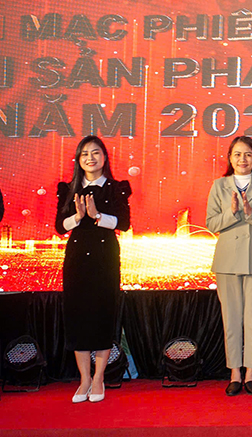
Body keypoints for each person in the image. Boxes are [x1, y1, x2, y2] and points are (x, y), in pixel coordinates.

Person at [55, 136, 131, 403]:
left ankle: (99, 378)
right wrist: (77, 217)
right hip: (76, 258)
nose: (90, 158)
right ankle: (84, 379)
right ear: (78, 159)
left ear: (105, 157)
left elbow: (123, 224)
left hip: (105, 257)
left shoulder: (116, 188)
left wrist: (97, 215)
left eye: (96, 153)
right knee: (77, 315)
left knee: (101, 313)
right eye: (85, 154)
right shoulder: (68, 188)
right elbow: (58, 226)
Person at [206, 136, 252, 396]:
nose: (242, 159)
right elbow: (211, 224)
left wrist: (250, 212)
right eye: (237, 154)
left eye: (248, 154)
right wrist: (233, 212)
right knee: (231, 320)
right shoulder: (219, 186)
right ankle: (234, 372)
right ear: (230, 158)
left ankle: (251, 372)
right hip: (227, 261)